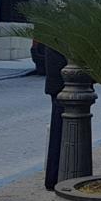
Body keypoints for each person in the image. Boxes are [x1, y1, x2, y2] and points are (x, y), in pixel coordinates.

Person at [42, 44, 68, 191]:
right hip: (64, 86)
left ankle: (54, 177)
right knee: (59, 133)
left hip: (60, 85)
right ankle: (55, 177)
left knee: (59, 132)